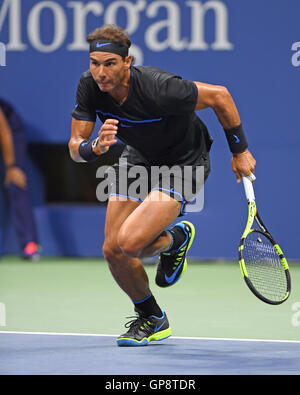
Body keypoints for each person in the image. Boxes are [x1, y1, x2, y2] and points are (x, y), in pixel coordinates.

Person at [68, 24, 256, 346]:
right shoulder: (89, 86)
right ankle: (153, 318)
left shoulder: (160, 88)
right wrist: (95, 147)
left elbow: (220, 96)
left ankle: (173, 239)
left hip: (183, 162)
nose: (100, 72)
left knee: (130, 244)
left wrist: (240, 151)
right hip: (139, 156)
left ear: (127, 62)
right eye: (94, 63)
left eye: (109, 63)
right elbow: (76, 147)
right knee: (113, 250)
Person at [0, 98, 40, 260]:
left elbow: (4, 131)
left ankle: (29, 244)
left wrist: (12, 166)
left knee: (15, 182)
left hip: (9, 132)